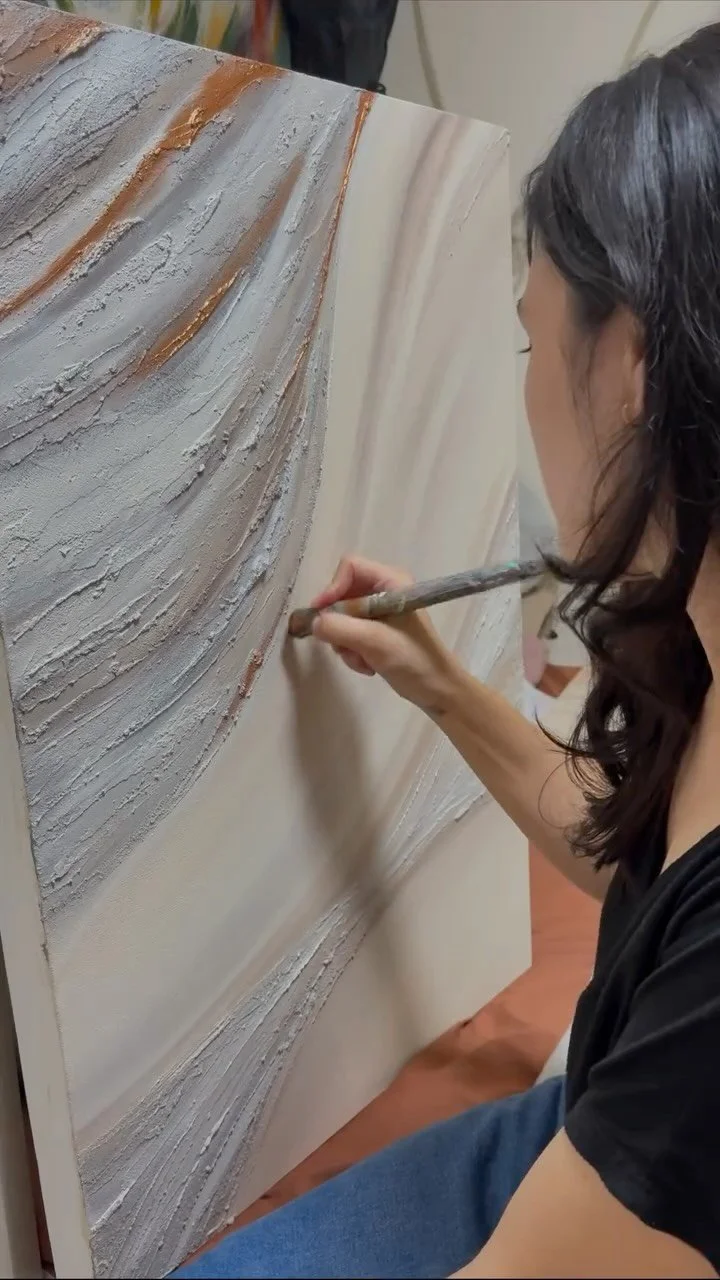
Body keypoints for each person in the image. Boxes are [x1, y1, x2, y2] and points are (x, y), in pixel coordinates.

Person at [174, 20, 720, 1280]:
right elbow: (644, 867)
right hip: (601, 1113)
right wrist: (443, 687)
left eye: (531, 342)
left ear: (633, 363)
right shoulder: (700, 632)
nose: (524, 384)